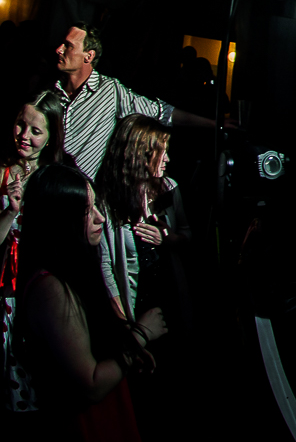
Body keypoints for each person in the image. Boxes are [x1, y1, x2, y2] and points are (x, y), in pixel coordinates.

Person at [15, 163, 167, 441]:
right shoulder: (50, 289)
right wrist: (142, 334)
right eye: (87, 211)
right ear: (60, 218)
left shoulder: (73, 271)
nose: (100, 218)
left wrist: (127, 349)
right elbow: (92, 384)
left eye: (96, 205)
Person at [54, 22, 227, 180]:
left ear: (89, 56)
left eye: (68, 46)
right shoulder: (51, 91)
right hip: (46, 188)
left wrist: (215, 123)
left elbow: (161, 112)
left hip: (79, 193)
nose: (59, 50)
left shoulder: (109, 91)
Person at [2, 91, 72, 412]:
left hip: (38, 290)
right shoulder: (2, 170)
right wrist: (10, 211)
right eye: (21, 124)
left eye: (35, 131)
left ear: (51, 136)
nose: (24, 136)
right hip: (5, 291)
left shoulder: (56, 177)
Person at [94, 116, 192, 331]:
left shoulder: (169, 188)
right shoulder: (106, 202)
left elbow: (188, 235)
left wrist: (170, 239)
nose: (167, 159)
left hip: (171, 300)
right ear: (141, 154)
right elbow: (105, 267)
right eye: (161, 152)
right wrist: (125, 326)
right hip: (136, 307)